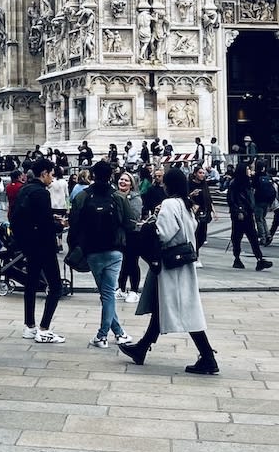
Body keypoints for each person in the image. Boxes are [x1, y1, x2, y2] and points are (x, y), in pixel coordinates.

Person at [120, 168, 219, 374]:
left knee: (183, 309)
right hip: (183, 263)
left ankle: (208, 357)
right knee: (162, 307)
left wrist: (150, 225)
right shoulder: (185, 204)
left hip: (170, 265)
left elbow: (164, 233)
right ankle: (141, 348)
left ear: (169, 184)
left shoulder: (169, 204)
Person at [68, 160, 133, 350]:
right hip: (115, 251)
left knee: (106, 294)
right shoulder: (119, 197)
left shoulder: (82, 196)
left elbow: (74, 223)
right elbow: (129, 223)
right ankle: (111, 334)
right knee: (108, 294)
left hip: (93, 251)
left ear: (93, 175)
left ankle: (106, 335)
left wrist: (75, 246)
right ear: (111, 176)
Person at [10, 157, 66, 346]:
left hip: (29, 246)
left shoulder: (24, 189)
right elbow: (45, 225)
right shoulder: (42, 193)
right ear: (44, 174)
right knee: (56, 287)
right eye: (51, 174)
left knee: (31, 284)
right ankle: (44, 329)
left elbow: (20, 217)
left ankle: (29, 325)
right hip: (44, 246)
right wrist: (59, 225)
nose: (52, 178)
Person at [227, 163, 272, 271]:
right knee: (237, 237)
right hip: (240, 215)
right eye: (248, 169)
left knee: (253, 237)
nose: (250, 171)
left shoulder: (247, 182)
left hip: (248, 214)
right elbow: (231, 199)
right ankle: (237, 258)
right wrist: (239, 210)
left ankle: (259, 259)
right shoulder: (234, 183)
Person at [115, 171, 143, 303]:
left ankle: (134, 290)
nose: (123, 182)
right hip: (119, 234)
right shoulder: (114, 196)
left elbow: (134, 217)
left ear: (131, 184)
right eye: (121, 179)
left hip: (133, 234)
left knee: (132, 262)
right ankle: (120, 288)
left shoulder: (135, 199)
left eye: (126, 180)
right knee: (122, 263)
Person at [188, 164, 214, 258]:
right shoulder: (190, 184)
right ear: (195, 174)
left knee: (202, 236)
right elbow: (186, 197)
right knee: (195, 234)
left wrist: (212, 210)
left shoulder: (204, 185)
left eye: (203, 173)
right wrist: (191, 195)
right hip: (194, 212)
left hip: (204, 212)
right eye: (200, 173)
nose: (202, 175)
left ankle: (195, 250)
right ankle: (195, 255)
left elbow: (208, 197)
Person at [253, 162, 277, 247]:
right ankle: (268, 235)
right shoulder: (267, 177)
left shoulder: (256, 177)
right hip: (267, 201)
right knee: (263, 218)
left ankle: (263, 238)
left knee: (259, 219)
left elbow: (253, 188)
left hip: (258, 200)